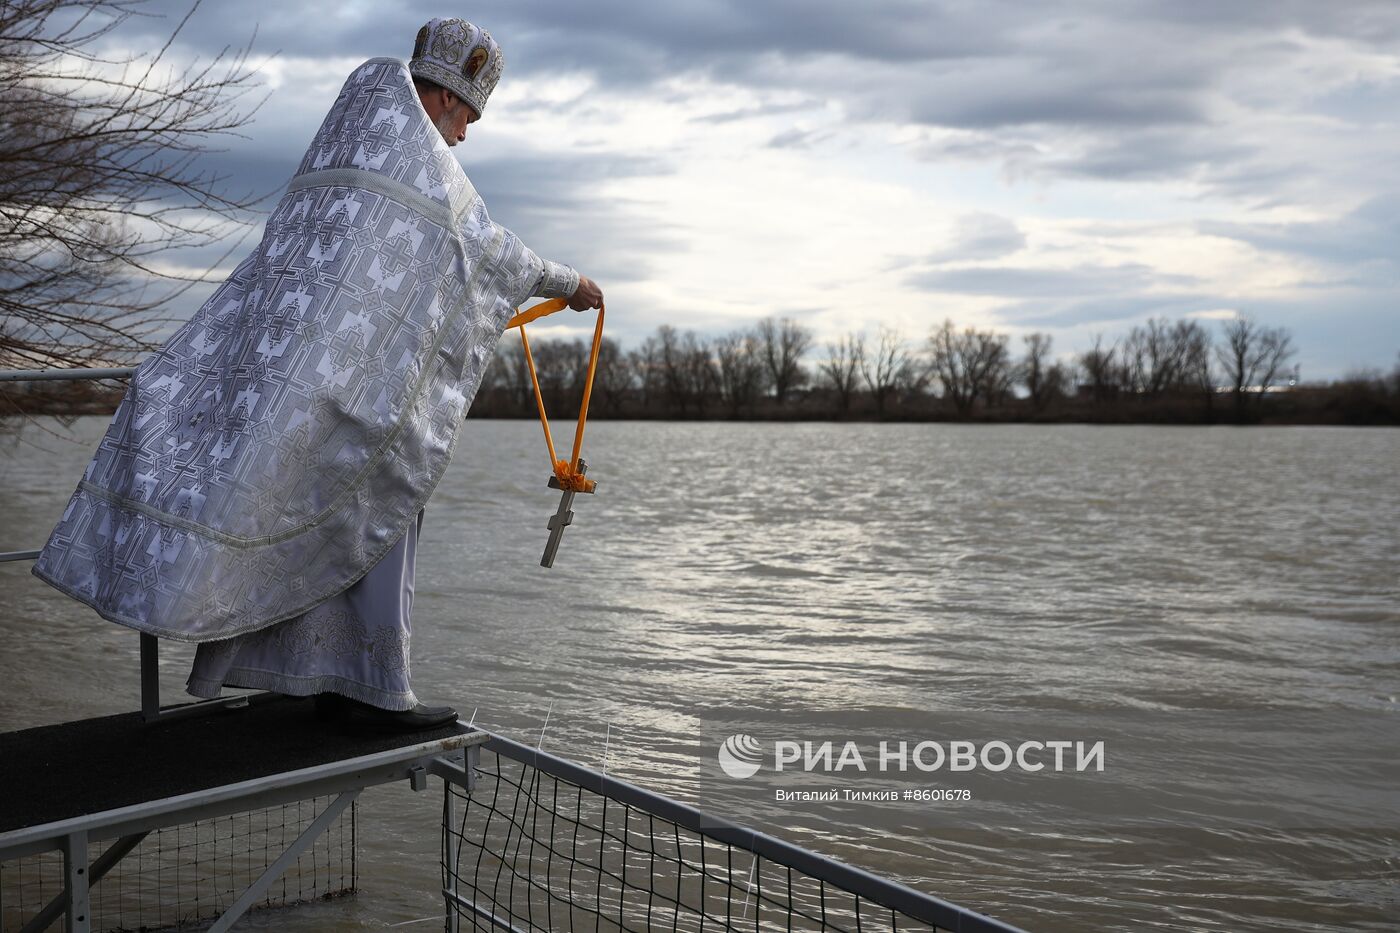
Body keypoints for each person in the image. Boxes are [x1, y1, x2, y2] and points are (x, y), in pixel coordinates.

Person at [32, 18, 602, 731]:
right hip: (351, 390)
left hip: (299, 374)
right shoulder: (416, 160)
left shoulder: (353, 134)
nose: (462, 139)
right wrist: (569, 279)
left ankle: (318, 672)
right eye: (468, 121)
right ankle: (375, 685)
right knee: (386, 498)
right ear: (449, 100)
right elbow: (481, 247)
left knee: (325, 510)